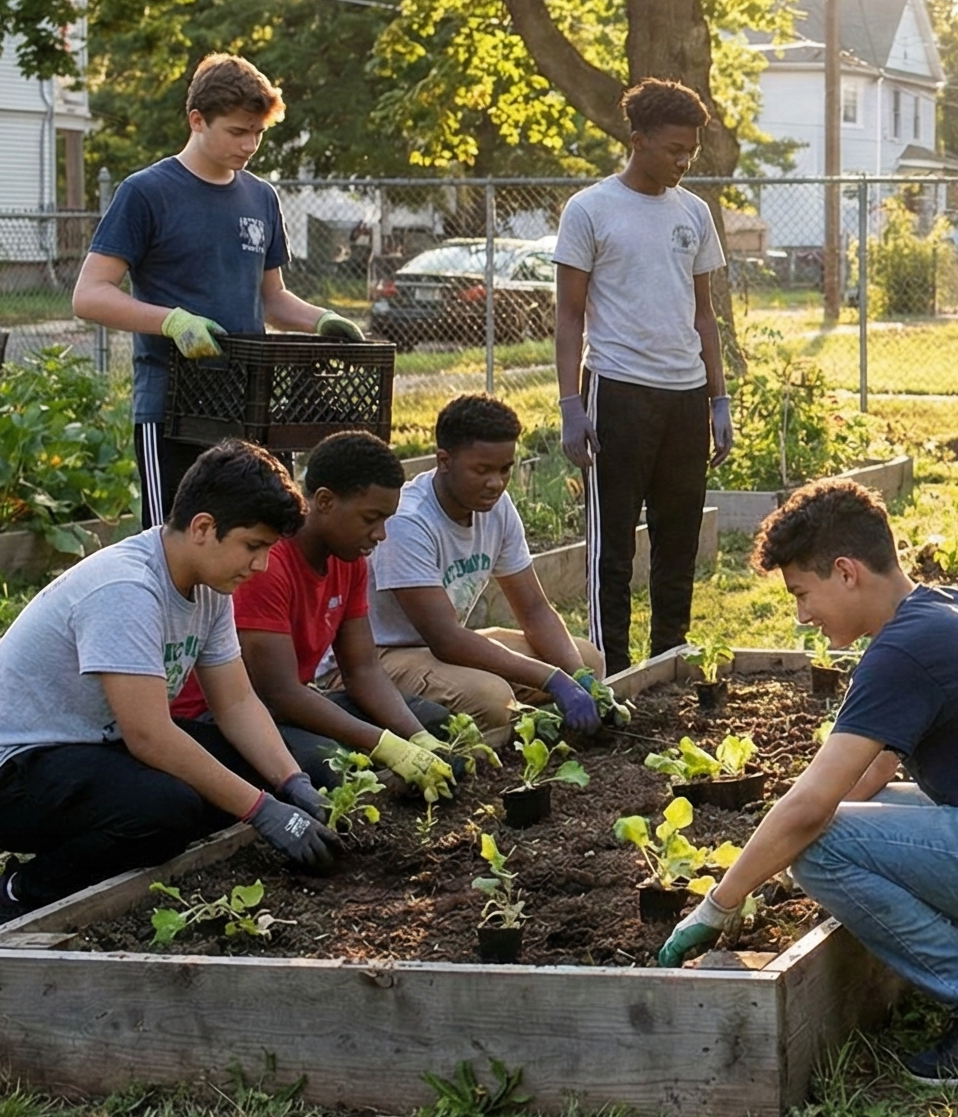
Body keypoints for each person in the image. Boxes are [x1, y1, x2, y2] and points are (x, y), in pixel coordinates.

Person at [656, 481, 958, 1088]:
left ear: (845, 572)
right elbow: (870, 775)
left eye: (803, 594)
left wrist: (718, 903)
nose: (803, 615)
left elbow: (811, 807)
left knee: (818, 843)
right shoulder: (947, 606)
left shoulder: (905, 652)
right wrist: (772, 864)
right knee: (858, 814)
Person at [0, 441, 340, 929]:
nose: (260, 565)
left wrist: (291, 784)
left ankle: (114, 836)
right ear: (203, 528)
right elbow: (149, 735)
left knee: (278, 762)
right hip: (4, 774)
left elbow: (237, 702)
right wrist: (263, 811)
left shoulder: (210, 588)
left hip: (93, 746)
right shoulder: (127, 590)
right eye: (253, 547)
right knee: (166, 811)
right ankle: (18, 895)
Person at [73, 54, 364, 528]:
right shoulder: (146, 191)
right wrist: (172, 321)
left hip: (250, 405)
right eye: (237, 131)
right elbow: (89, 294)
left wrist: (322, 321)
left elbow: (270, 298)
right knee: (177, 544)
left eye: (258, 132)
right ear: (197, 120)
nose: (250, 144)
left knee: (262, 540)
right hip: (172, 408)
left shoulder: (261, 197)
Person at [167, 431, 460, 794]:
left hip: (293, 706)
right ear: (324, 501)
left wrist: (413, 736)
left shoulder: (350, 559)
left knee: (436, 724)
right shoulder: (266, 564)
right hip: (222, 717)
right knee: (333, 766)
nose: (380, 534)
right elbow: (280, 692)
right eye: (371, 518)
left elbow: (362, 669)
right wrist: (386, 744)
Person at [556, 79, 731, 673]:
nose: (684, 161)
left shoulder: (694, 212)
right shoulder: (591, 210)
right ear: (638, 141)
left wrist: (719, 399)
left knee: (678, 538)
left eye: (692, 151)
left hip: (685, 396)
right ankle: (612, 668)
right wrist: (570, 405)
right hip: (618, 391)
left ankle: (669, 657)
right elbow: (569, 314)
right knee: (614, 545)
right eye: (674, 149)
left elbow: (704, 314)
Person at [366, 396, 605, 737]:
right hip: (383, 655)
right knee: (493, 698)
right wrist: (551, 680)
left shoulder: (497, 506)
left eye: (505, 468)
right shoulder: (409, 521)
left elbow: (534, 609)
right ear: (444, 461)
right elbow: (445, 638)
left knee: (586, 660)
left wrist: (577, 678)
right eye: (482, 470)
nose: (496, 482)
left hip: (446, 648)